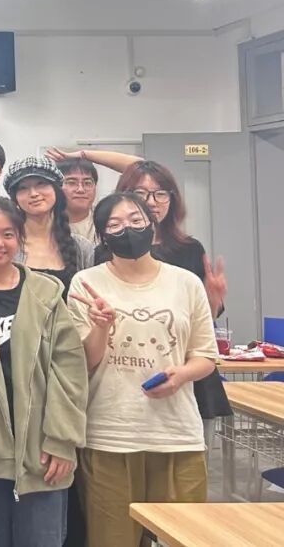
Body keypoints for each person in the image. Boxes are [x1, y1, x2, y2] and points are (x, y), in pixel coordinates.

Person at [67, 193, 217, 547]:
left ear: (152, 225)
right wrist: (101, 326)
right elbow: (84, 363)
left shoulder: (186, 282)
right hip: (110, 435)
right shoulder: (86, 283)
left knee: (187, 537)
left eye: (136, 221)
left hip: (177, 433)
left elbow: (205, 356)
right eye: (115, 225)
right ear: (103, 236)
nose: (128, 230)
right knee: (112, 539)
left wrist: (182, 375)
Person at [0, 197, 88, 547]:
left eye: (8, 234)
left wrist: (62, 441)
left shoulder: (47, 292)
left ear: (20, 237)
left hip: (42, 452)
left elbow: (69, 371)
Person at [112, 160, 231, 444]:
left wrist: (212, 300)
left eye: (161, 193)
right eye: (141, 193)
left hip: (189, 376)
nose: (152, 202)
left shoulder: (189, 249)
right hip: (125, 376)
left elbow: (202, 328)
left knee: (191, 464)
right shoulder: (110, 250)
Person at [3, 156, 94, 297]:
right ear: (15, 198)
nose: (34, 193)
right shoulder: (5, 245)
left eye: (41, 184)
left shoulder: (82, 248)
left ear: (56, 190)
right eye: (23, 188)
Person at [54, 157, 100, 243]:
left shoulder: (106, 219)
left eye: (87, 183)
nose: (80, 189)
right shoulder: (45, 222)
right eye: (71, 183)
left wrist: (85, 154)